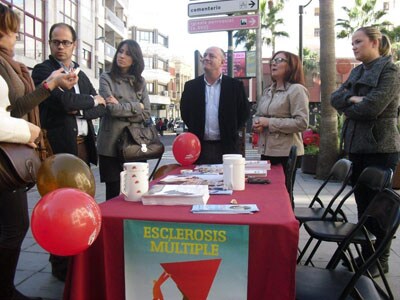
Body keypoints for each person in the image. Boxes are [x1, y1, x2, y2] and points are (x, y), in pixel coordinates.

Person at [0, 5, 77, 299]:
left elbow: (18, 106)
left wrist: (50, 85)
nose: (15, 35)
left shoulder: (10, 64)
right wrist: (29, 132)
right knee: (14, 226)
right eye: (11, 29)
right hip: (9, 156)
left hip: (14, 154)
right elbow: (70, 104)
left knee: (12, 226)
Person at [31, 22, 106, 282]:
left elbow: (101, 106)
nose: (60, 46)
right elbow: (63, 102)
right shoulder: (44, 70)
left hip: (83, 148)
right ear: (50, 44)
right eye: (55, 42)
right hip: (60, 153)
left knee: (81, 207)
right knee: (59, 210)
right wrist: (88, 103)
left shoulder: (80, 74)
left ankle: (78, 259)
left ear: (74, 45)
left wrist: (83, 106)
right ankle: (60, 266)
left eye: (65, 42)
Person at [331, 26, 400, 276]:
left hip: (381, 148)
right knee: (363, 208)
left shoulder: (390, 70)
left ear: (374, 42)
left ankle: (378, 261)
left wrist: (352, 103)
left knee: (380, 209)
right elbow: (334, 99)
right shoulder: (357, 70)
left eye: (358, 41)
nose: (354, 46)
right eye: (352, 42)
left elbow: (373, 108)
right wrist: (353, 100)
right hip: (356, 147)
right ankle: (366, 256)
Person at [97, 39, 151, 200]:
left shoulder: (140, 82)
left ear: (135, 59)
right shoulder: (106, 77)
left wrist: (122, 105)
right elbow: (111, 109)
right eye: (120, 51)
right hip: (111, 143)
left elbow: (147, 112)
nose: (122, 56)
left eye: (127, 53)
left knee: (137, 190)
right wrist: (137, 106)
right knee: (113, 193)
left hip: (135, 142)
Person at [180, 46, 250, 164]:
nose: (206, 58)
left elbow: (244, 112)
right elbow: (185, 112)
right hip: (198, 147)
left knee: (228, 181)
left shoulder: (235, 86)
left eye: (211, 56)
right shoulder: (191, 86)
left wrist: (230, 129)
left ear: (222, 62)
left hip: (227, 147)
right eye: (205, 55)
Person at [252, 51, 309, 185]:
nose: (273, 63)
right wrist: (258, 122)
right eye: (273, 60)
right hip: (266, 150)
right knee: (268, 192)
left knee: (285, 193)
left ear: (291, 66)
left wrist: (269, 122)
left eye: (279, 60)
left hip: (285, 152)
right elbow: (260, 114)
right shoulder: (268, 91)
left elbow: (302, 123)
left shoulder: (296, 90)